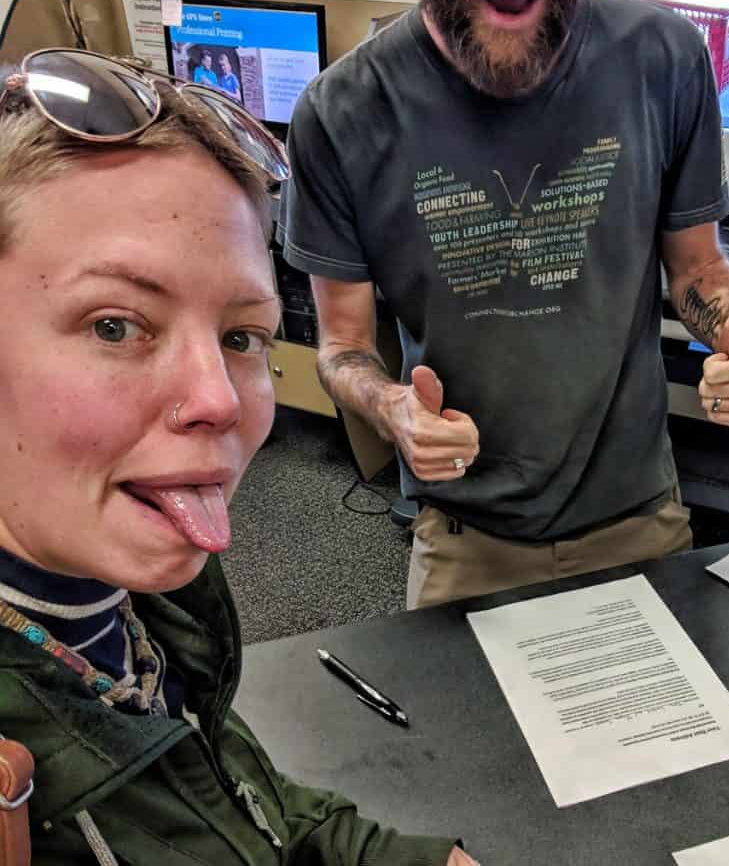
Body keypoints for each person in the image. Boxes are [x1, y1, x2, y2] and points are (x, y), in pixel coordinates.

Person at [0, 50, 476, 866]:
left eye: (239, 336)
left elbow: (234, 802)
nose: (220, 398)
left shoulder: (150, 603)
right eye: (116, 325)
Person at [277, 0, 729, 609]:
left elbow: (698, 269)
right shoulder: (343, 113)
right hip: (464, 536)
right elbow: (342, 345)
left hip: (639, 515)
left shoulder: (664, 60)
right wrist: (394, 412)